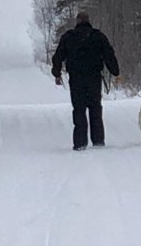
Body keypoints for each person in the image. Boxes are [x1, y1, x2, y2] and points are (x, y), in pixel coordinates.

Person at [51, 12, 120, 150]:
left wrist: (57, 73)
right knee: (95, 108)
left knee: (79, 109)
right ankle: (98, 140)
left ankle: (80, 142)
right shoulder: (98, 36)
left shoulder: (69, 37)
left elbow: (58, 56)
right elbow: (109, 54)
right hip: (94, 78)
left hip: (76, 79)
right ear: (89, 21)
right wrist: (115, 72)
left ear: (77, 21)